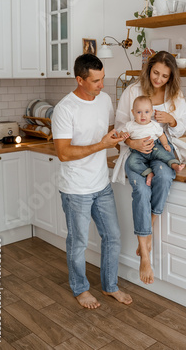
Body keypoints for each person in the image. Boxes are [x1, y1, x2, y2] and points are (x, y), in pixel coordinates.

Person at [52, 53, 132, 309]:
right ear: (80, 79)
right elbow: (64, 153)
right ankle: (80, 289)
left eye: (103, 79)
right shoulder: (65, 109)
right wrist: (101, 145)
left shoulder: (104, 99)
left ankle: (110, 286)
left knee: (113, 236)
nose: (102, 85)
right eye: (96, 81)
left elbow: (109, 132)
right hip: (76, 189)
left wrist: (126, 143)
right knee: (78, 243)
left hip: (102, 184)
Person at [112, 51, 186, 285]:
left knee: (165, 175)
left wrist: (172, 119)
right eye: (155, 72)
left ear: (171, 77)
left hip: (161, 150)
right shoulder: (133, 91)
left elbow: (181, 129)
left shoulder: (175, 94)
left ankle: (148, 230)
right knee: (141, 190)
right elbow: (119, 127)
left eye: (165, 76)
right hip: (135, 151)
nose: (159, 79)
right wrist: (132, 142)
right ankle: (144, 254)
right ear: (148, 70)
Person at [123, 95, 185, 186]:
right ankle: (148, 173)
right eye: (139, 112)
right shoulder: (130, 125)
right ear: (133, 112)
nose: (143, 115)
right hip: (137, 151)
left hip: (154, 147)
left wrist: (165, 144)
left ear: (151, 112)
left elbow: (161, 135)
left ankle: (174, 164)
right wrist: (123, 135)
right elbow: (122, 134)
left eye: (147, 112)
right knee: (131, 162)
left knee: (164, 154)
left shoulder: (154, 125)